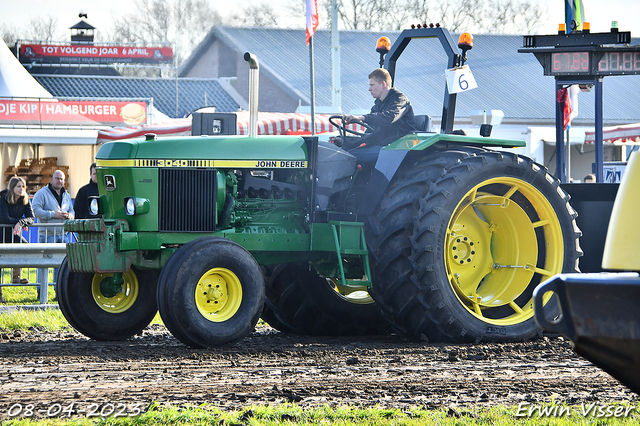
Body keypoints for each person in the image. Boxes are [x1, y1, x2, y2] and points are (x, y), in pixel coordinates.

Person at [342, 68, 417, 163]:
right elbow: (369, 133)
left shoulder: (399, 99)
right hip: (380, 145)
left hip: (395, 148)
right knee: (342, 151)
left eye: (372, 85)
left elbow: (389, 117)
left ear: (383, 84)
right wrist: (346, 141)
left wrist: (362, 117)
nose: (369, 89)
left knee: (347, 157)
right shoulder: (378, 105)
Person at [32, 170, 75, 298]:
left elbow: (72, 210)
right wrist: (52, 214)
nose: (59, 181)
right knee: (43, 264)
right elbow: (36, 210)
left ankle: (59, 292)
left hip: (63, 234)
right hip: (47, 234)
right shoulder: (41, 193)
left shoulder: (66, 195)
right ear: (51, 179)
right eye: (57, 178)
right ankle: (40, 291)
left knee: (61, 265)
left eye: (61, 179)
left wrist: (70, 216)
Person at [0, 176, 34, 302]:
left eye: (23, 186)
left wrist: (22, 222)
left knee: (24, 247)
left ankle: (16, 277)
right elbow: (4, 218)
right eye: (18, 186)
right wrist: (18, 222)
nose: (21, 189)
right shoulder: (3, 198)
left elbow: (31, 218)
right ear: (12, 187)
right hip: (1, 231)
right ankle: (0, 295)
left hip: (13, 232)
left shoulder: (25, 199)